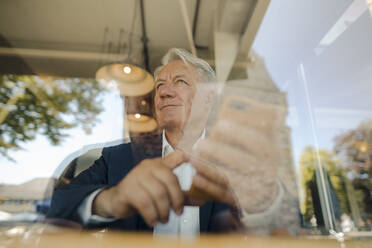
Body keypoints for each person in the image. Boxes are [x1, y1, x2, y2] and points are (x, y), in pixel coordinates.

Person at [47, 48, 300, 236]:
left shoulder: (235, 159)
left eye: (180, 82)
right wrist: (111, 200)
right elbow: (56, 206)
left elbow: (289, 223)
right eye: (159, 86)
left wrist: (263, 201)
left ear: (208, 98)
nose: (165, 92)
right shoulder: (116, 159)